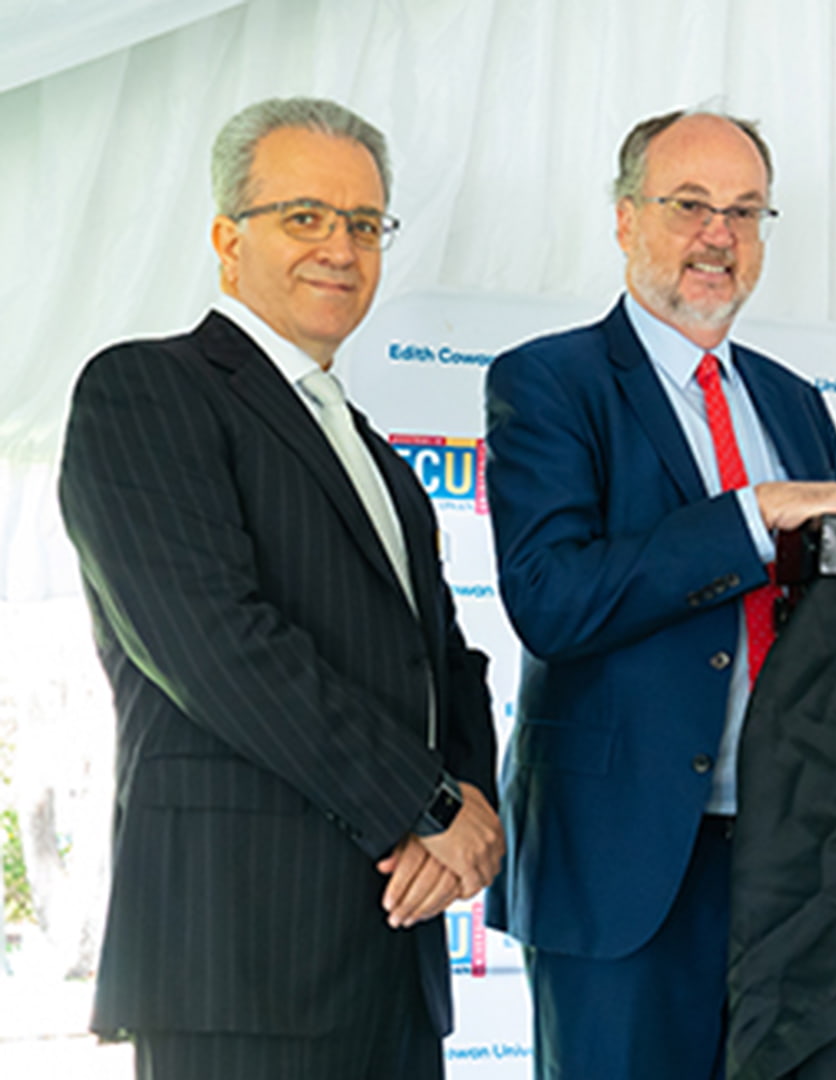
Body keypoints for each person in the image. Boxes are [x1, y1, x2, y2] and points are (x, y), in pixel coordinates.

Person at [483, 109, 836, 1079]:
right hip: (624, 864)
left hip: (794, 850)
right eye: (689, 205)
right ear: (624, 219)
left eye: (744, 211)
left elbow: (818, 604)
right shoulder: (550, 380)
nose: (718, 234)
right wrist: (754, 512)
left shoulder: (793, 402)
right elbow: (551, 597)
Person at [58, 97, 502, 1080]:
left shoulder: (380, 462)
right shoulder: (146, 390)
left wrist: (473, 801)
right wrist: (427, 804)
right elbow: (216, 645)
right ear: (227, 239)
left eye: (364, 223)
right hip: (242, 957)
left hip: (394, 956)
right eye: (305, 216)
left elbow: (448, 662)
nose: (339, 249)